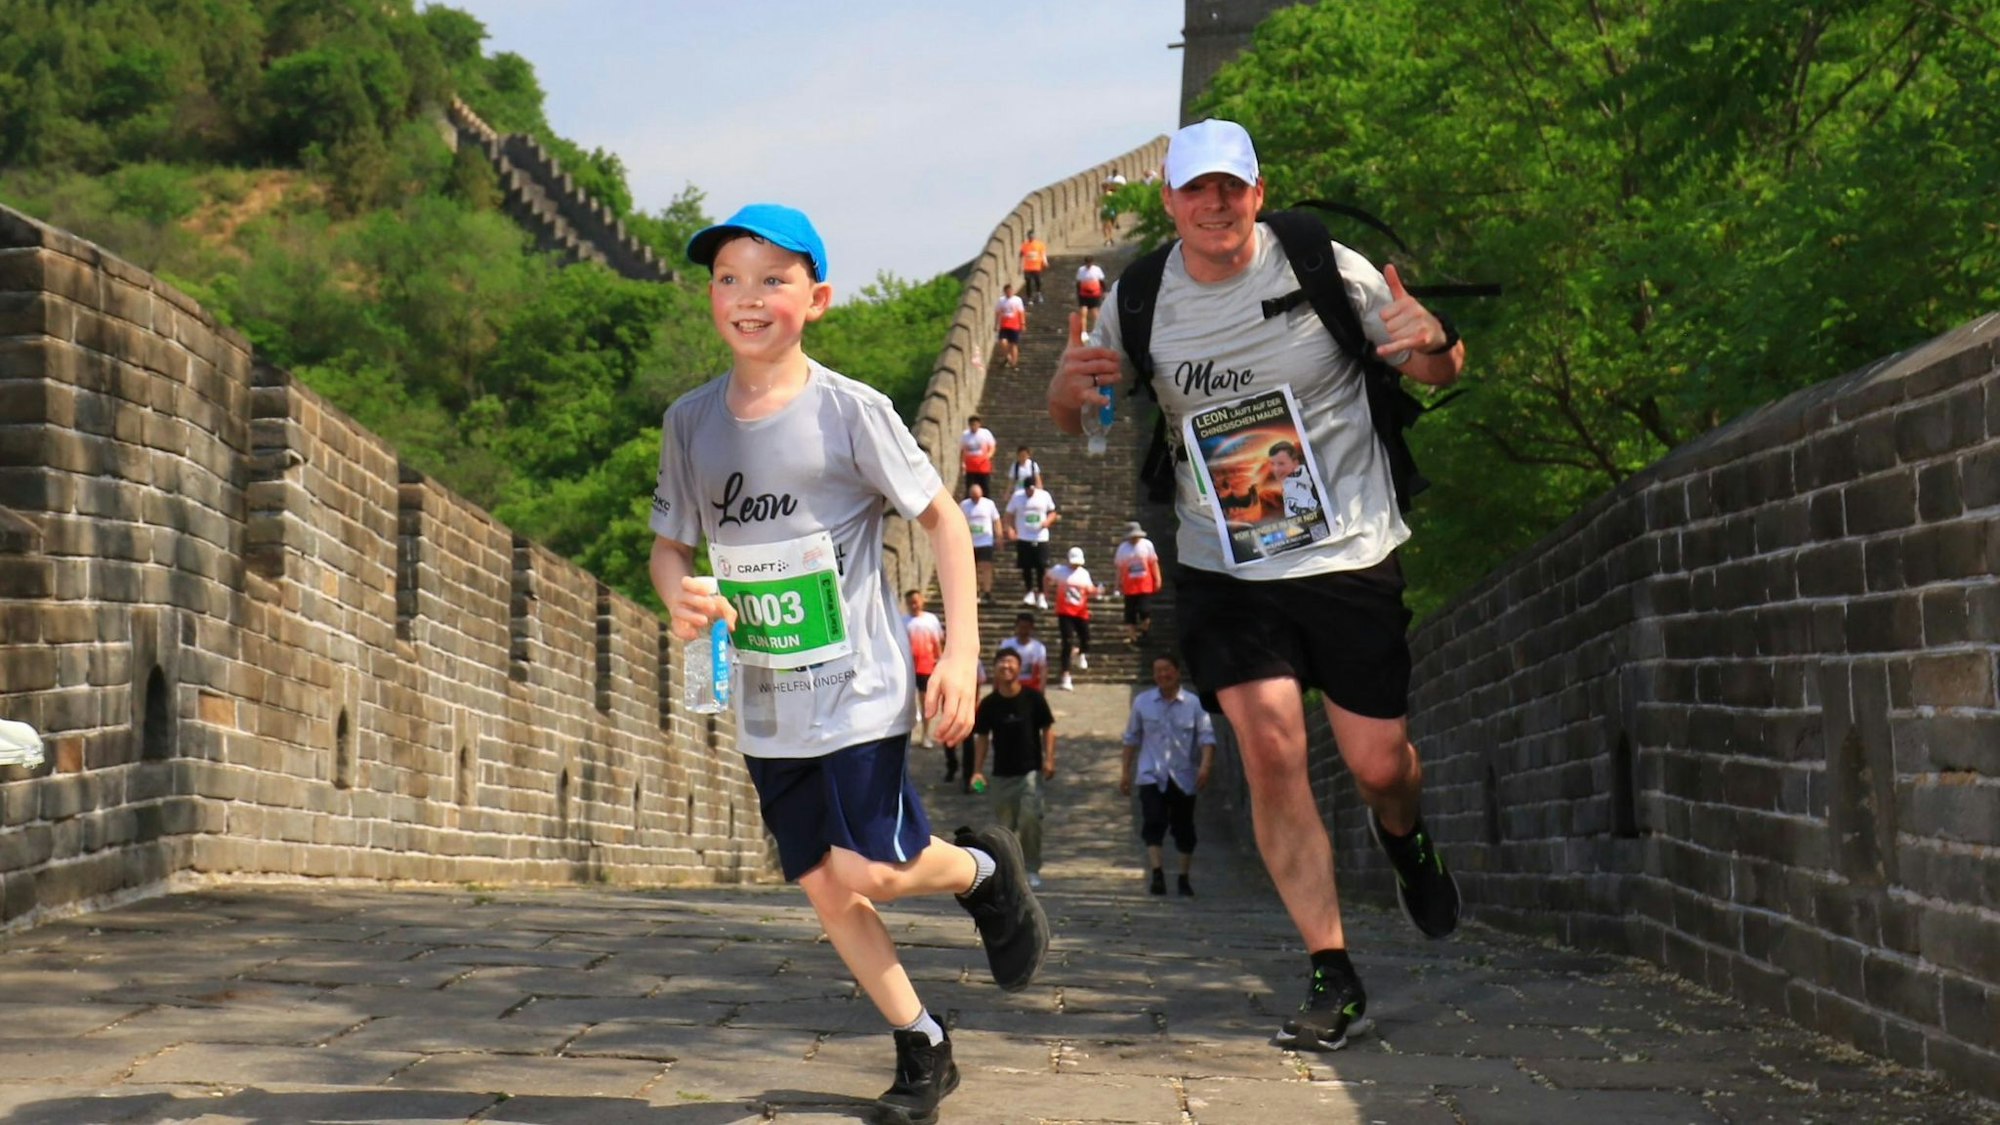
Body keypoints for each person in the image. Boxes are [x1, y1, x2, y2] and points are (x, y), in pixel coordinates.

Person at [1047, 120, 1467, 1054]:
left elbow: (1436, 364)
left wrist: (1433, 343)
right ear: (1169, 201)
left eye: (1230, 188)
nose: (1214, 205)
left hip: (1347, 548)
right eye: (1195, 190)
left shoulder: (1320, 262)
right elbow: (1082, 411)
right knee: (1272, 743)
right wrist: (1071, 393)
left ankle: (1407, 839)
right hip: (1225, 560)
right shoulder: (1142, 296)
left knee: (1378, 765)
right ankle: (1332, 968)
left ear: (1258, 192)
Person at [655, 203, 1049, 1122]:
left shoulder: (849, 411)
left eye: (773, 279)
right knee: (826, 884)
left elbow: (944, 519)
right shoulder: (691, 422)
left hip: (859, 684)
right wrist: (679, 588)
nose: (747, 298)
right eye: (728, 279)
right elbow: (671, 543)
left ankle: (983, 873)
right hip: (763, 692)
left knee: (871, 867)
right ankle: (924, 1040)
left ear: (817, 298)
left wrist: (959, 649)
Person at [1121, 654, 1215, 897]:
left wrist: (1205, 767)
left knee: (1184, 827)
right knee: (1153, 821)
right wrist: (1125, 772)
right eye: (1158, 671)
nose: (1162, 675)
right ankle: (1158, 874)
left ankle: (1183, 877)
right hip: (1151, 773)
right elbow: (1131, 739)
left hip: (1184, 775)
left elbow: (1206, 739)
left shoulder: (1194, 704)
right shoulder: (1142, 702)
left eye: (1167, 670)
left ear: (1177, 672)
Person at [969, 649, 1056, 889]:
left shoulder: (1033, 698)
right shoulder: (989, 704)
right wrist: (977, 770)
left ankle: (1031, 868)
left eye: (1011, 663)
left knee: (1030, 820)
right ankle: (1009, 872)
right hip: (1001, 775)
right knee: (1004, 829)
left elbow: (1048, 728)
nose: (1006, 666)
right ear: (995, 669)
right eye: (1001, 663)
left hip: (1030, 772)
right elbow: (983, 738)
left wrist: (1050, 759)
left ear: (1019, 668)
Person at [1043, 547, 1101, 692]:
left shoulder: (1084, 574)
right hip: (1065, 612)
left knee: (1086, 639)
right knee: (1067, 642)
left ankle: (1079, 653)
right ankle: (1066, 676)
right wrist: (1046, 592)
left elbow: (1089, 590)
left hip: (1081, 612)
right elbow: (1046, 577)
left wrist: (1098, 591)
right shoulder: (1060, 571)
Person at [1003, 480, 1058, 608]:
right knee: (1026, 566)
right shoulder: (1017, 496)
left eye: (1032, 490)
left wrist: (1047, 522)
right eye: (1028, 490)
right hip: (1024, 536)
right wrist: (1009, 529)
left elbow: (1053, 512)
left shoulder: (1044, 496)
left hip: (1040, 537)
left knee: (1041, 567)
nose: (1030, 493)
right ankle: (1029, 592)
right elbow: (1008, 514)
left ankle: (1041, 594)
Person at [902, 590, 945, 753]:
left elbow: (938, 642)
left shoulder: (931, 620)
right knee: (907, 704)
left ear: (922, 601)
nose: (914, 605)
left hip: (926, 667)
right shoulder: (903, 621)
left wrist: (940, 662)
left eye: (916, 601)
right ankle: (907, 737)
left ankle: (926, 735)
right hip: (908, 668)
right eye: (910, 603)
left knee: (926, 701)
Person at [1112, 521, 1162, 648]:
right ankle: (1132, 637)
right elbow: (1119, 568)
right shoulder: (1123, 548)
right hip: (1129, 587)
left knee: (1145, 610)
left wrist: (1158, 578)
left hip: (1145, 584)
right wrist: (1117, 584)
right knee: (1130, 615)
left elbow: (1153, 563)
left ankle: (1145, 632)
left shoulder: (1147, 545)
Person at [960, 483, 1002, 605]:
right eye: (973, 497)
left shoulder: (988, 504)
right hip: (970, 541)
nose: (975, 500)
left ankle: (987, 592)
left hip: (985, 540)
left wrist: (999, 535)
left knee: (986, 567)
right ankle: (974, 592)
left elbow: (996, 520)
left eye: (977, 497)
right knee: (971, 569)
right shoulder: (964, 505)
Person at [997, 612, 1049, 693]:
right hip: (1010, 685)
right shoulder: (1006, 645)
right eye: (1021, 627)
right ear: (1016, 627)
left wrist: (1042, 690)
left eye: (1026, 627)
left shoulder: (1039, 647)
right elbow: (998, 667)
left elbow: (1043, 670)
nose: (1023, 630)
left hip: (1031, 687)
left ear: (1031, 628)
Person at [961, 415, 997, 496]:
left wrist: (988, 455)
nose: (973, 426)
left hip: (983, 466)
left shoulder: (985, 433)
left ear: (979, 424)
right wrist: (962, 463)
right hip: (970, 467)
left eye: (975, 424)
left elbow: (992, 446)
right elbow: (963, 450)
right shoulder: (965, 435)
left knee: (985, 488)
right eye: (971, 424)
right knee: (969, 488)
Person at [993, 284, 1026, 370]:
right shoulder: (1001, 301)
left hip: (1014, 325)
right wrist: (996, 324)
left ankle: (1014, 364)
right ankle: (1008, 357)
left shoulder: (1017, 300)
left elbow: (1021, 312)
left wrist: (1023, 324)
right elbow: (997, 313)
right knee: (1002, 342)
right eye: (1007, 291)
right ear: (1005, 292)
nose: (1009, 293)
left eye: (1010, 291)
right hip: (1004, 325)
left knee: (1013, 345)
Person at [1075, 256, 1107, 334]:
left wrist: (1104, 292)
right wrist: (1078, 293)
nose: (1088, 265)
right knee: (1083, 313)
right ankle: (1084, 331)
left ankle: (1096, 330)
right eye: (1087, 263)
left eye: (1089, 263)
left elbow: (1101, 281)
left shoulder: (1097, 270)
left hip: (1094, 294)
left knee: (1095, 313)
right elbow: (1078, 283)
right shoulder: (1081, 270)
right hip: (1084, 294)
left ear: (1092, 263)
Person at [1019, 229, 1048, 304]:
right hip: (1027, 267)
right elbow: (1021, 255)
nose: (1031, 237)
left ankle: (1038, 294)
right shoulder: (1024, 245)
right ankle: (1029, 298)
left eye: (1032, 235)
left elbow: (1043, 254)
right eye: (1029, 236)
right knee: (1028, 282)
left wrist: (1045, 262)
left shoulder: (1039, 244)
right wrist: (1019, 266)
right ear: (1027, 236)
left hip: (1036, 266)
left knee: (1037, 281)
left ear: (1034, 236)